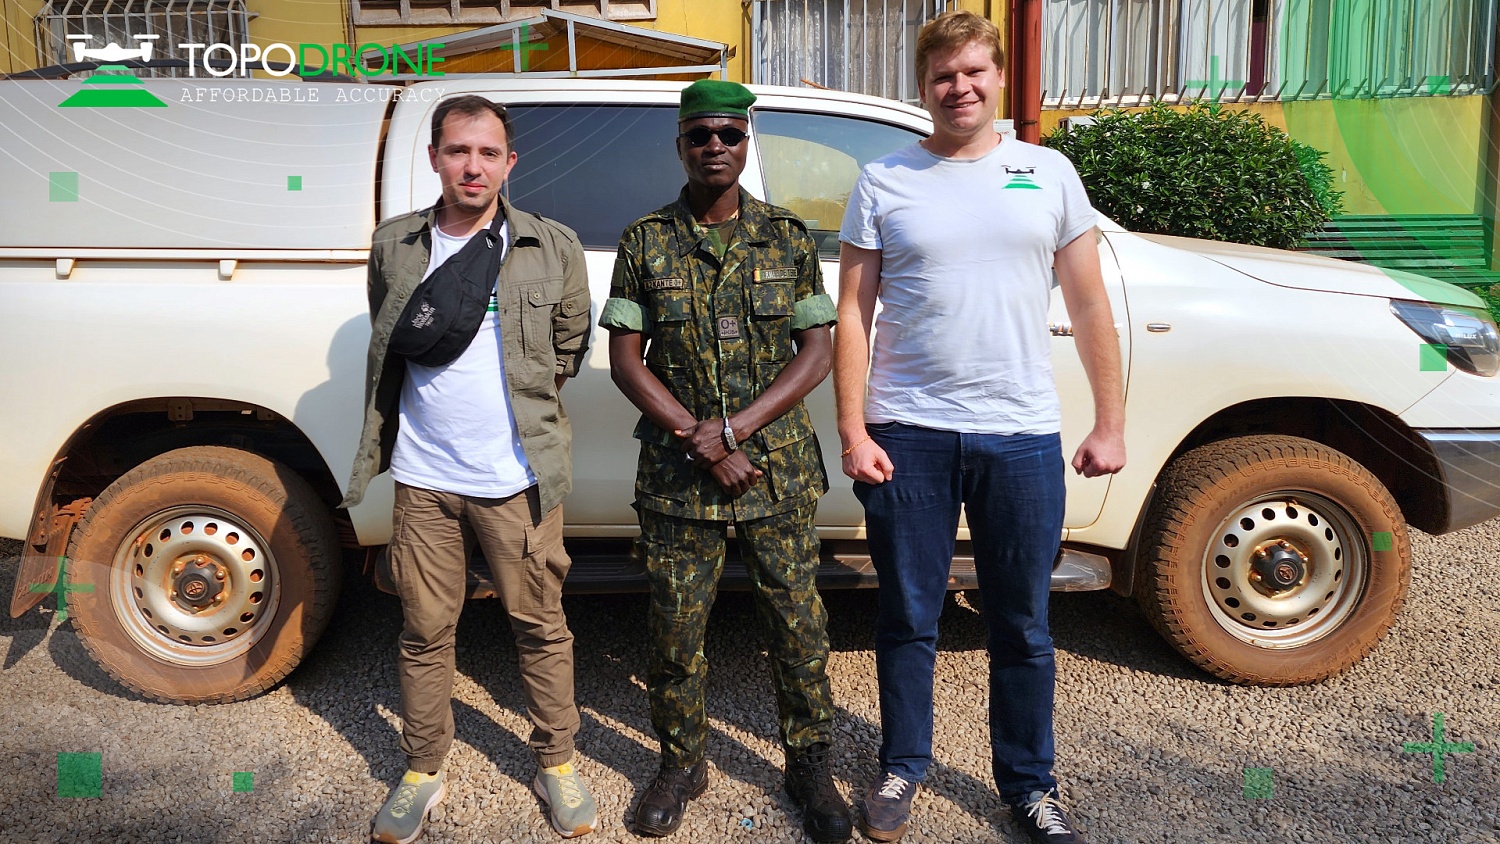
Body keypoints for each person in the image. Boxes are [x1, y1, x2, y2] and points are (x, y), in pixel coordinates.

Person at [833, 12, 1126, 844]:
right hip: (908, 432)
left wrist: (1111, 421)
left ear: (998, 79)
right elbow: (852, 313)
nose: (958, 89)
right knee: (907, 616)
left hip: (1020, 436)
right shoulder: (884, 178)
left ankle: (1030, 785)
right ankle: (902, 767)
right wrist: (855, 429)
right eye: (941, 77)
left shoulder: (1048, 171)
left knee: (1023, 624)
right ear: (920, 87)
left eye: (973, 73)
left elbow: (1089, 302)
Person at [598, 79, 852, 843]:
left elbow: (818, 353)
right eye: (701, 135)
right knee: (676, 631)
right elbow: (625, 359)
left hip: (774, 473)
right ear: (680, 144)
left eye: (730, 135)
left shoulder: (788, 236)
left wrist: (732, 432)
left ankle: (808, 764)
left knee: (796, 624)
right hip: (679, 481)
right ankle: (682, 763)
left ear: (749, 144)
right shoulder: (644, 240)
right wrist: (694, 436)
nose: (716, 147)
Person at [342, 94, 596, 843]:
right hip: (424, 479)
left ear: (509, 163)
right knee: (424, 631)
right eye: (458, 151)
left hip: (516, 480)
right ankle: (423, 767)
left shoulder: (551, 246)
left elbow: (570, 348)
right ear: (435, 160)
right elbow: (392, 338)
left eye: (488, 153)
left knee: (541, 626)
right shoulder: (395, 246)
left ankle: (557, 761)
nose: (473, 166)